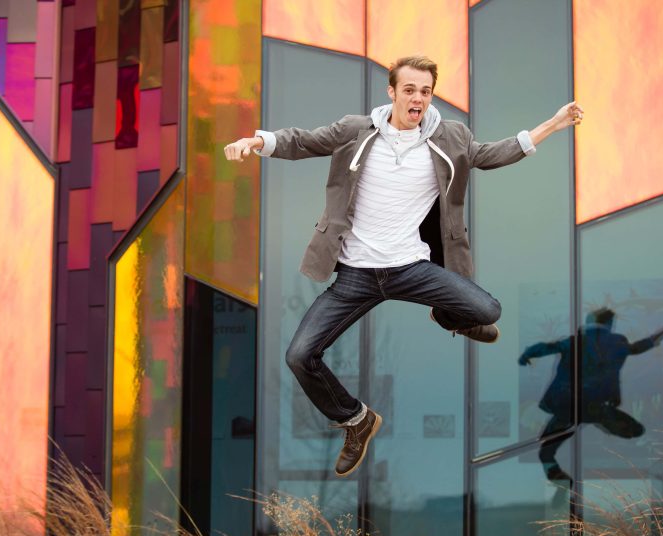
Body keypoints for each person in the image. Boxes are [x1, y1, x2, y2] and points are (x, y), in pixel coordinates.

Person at [225, 55, 583, 478]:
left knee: (487, 313)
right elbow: (304, 141)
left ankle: (446, 313)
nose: (417, 99)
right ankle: (356, 421)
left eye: (426, 92)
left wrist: (552, 125)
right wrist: (257, 141)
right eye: (409, 90)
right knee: (300, 355)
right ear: (392, 92)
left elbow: (490, 155)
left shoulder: (450, 137)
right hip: (356, 275)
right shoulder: (355, 131)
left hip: (411, 267)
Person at [518, 308, 663, 482]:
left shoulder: (575, 341)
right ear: (610, 324)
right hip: (595, 404)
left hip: (568, 403)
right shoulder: (616, 342)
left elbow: (548, 347)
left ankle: (552, 465)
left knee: (549, 443)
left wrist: (528, 354)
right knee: (618, 423)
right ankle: (621, 425)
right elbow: (641, 346)